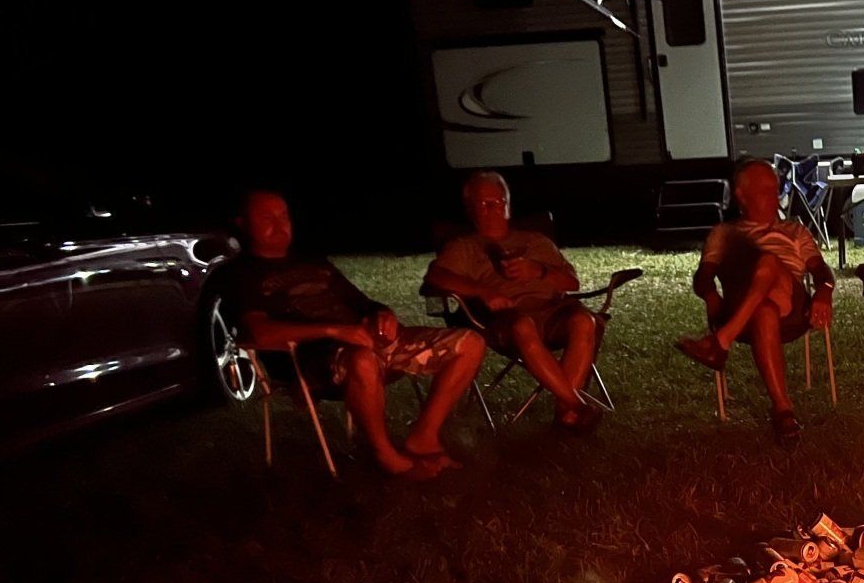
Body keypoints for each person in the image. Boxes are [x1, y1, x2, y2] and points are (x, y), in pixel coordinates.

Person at [211, 190, 486, 479]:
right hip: (319, 361)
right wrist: (336, 330)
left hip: (368, 340)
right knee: (363, 360)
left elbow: (363, 303)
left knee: (470, 343)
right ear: (242, 223)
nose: (279, 224)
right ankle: (387, 455)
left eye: (283, 216)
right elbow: (259, 333)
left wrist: (383, 313)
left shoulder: (313, 262)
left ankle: (424, 436)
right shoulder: (239, 275)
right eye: (266, 218)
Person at [424, 171, 605, 432]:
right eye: (485, 203)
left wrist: (538, 270)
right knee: (522, 325)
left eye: (500, 201)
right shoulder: (464, 246)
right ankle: (576, 406)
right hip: (506, 319)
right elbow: (436, 276)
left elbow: (571, 283)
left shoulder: (535, 241)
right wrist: (482, 292)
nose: (495, 209)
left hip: (553, 312)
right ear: (470, 208)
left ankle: (567, 414)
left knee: (584, 321)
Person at [678, 160, 835, 446]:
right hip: (747, 311)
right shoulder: (724, 233)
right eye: (764, 190)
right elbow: (703, 277)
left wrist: (824, 291)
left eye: (775, 189)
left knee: (769, 262)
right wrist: (711, 295)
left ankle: (720, 343)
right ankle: (783, 410)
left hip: (793, 308)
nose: (774, 197)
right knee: (764, 309)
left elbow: (820, 270)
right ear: (741, 195)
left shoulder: (794, 232)